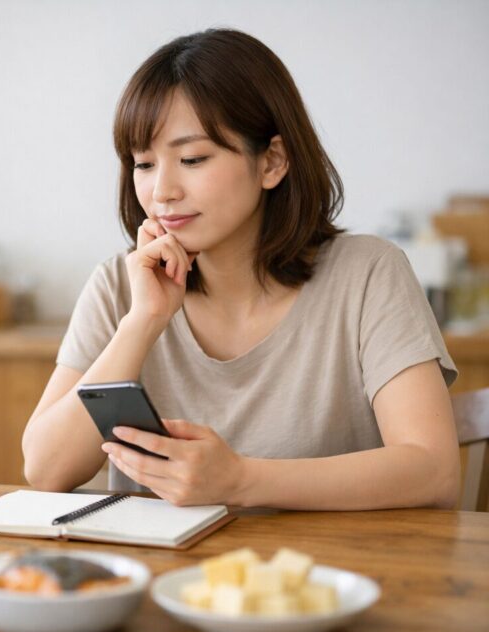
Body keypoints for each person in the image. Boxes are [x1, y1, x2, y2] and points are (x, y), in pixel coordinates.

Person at [22, 29, 459, 510]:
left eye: (192, 158)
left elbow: (432, 469)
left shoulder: (368, 274)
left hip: (318, 579)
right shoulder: (119, 285)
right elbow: (46, 470)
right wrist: (143, 322)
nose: (162, 190)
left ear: (272, 161)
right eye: (143, 164)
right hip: (159, 580)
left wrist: (240, 480)